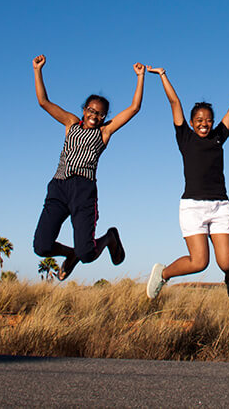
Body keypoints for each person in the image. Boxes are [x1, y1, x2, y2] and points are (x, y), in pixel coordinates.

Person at [31, 54, 145, 280]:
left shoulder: (104, 132)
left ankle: (109, 238)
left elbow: (133, 108)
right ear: (84, 110)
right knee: (41, 247)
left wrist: (140, 77)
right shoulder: (71, 123)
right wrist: (37, 70)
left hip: (83, 191)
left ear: (105, 117)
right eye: (91, 110)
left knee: (88, 253)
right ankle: (69, 254)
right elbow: (44, 102)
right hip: (58, 187)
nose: (95, 115)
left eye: (100, 113)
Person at [144, 66, 229, 302]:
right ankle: (163, 274)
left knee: (225, 262)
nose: (204, 123)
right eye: (199, 120)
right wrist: (163, 75)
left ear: (212, 122)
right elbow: (174, 102)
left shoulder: (218, 137)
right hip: (192, 206)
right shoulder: (185, 137)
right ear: (192, 122)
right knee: (199, 262)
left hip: (220, 206)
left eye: (208, 120)